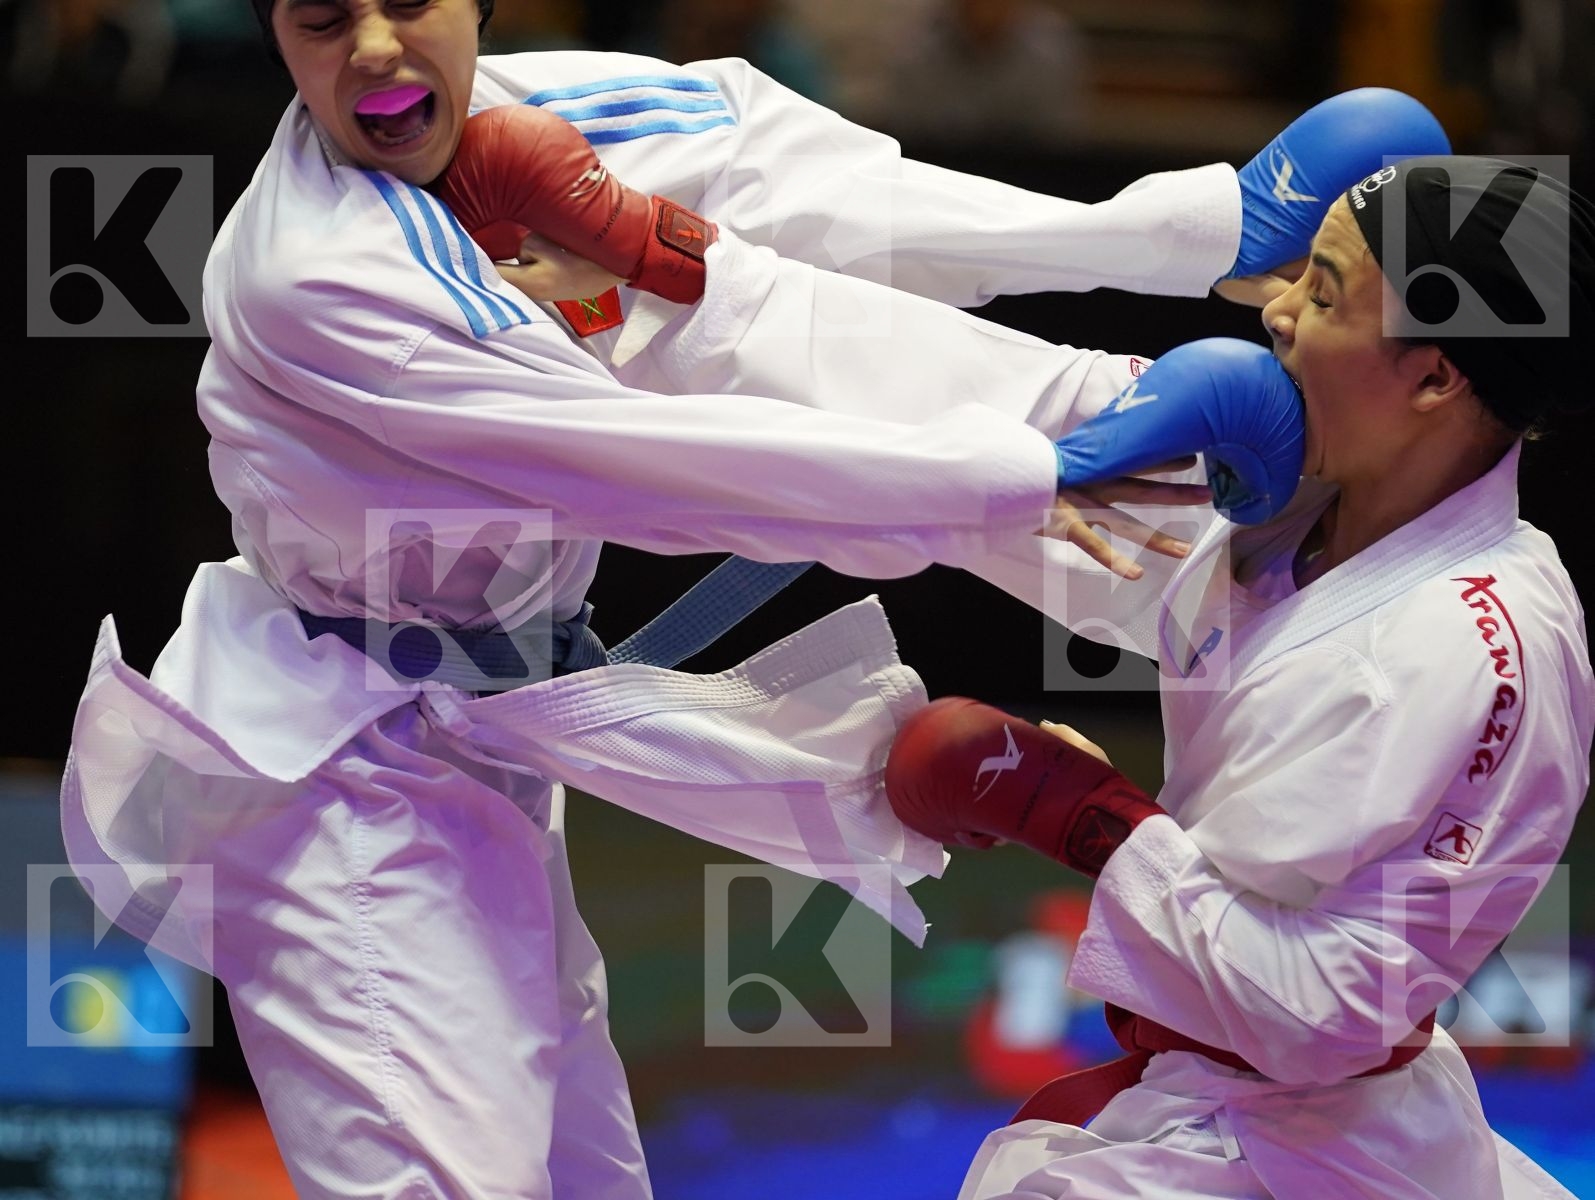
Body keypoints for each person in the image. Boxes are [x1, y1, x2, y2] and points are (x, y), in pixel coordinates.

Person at [57, 1, 1447, 1195]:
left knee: (587, 1173)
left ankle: (1176, 474)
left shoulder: (550, 101)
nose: (372, 48)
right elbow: (654, 468)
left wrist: (1175, 230)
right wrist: (1027, 473)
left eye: (405, 0)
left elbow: (801, 177)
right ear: (275, 38)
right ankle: (1115, 449)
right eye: (316, 17)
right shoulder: (320, 274)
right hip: (340, 792)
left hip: (477, 748)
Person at [883, 157, 1594, 1198]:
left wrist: (1087, 817)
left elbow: (1321, 1016)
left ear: (1435, 376)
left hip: (1310, 1139)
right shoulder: (1296, 500)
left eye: (1322, 293)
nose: (1276, 316)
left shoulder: (1482, 651)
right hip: (1229, 1104)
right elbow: (1040, 492)